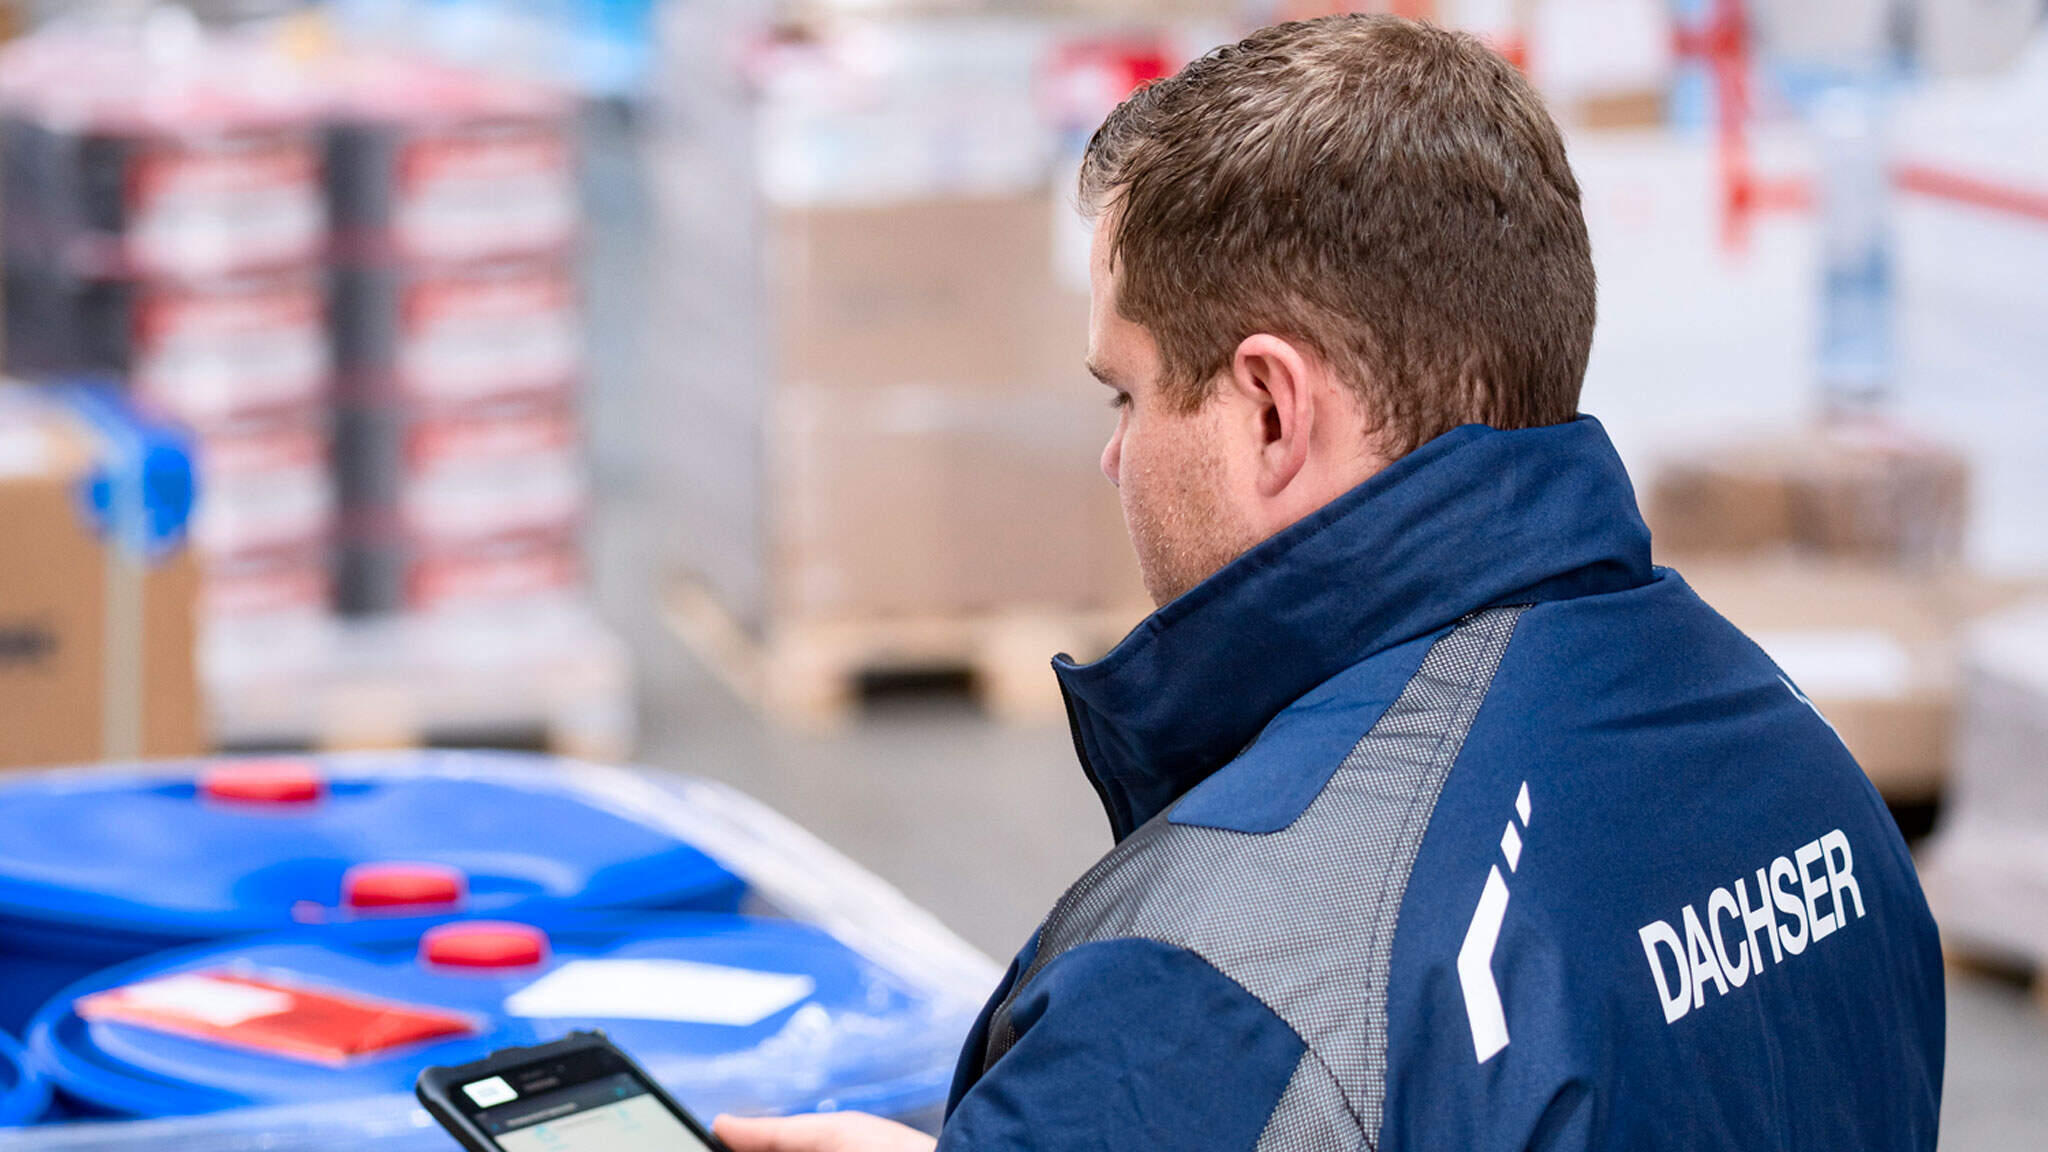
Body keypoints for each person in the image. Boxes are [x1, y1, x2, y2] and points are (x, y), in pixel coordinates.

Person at [716, 14, 1945, 1152]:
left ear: (1267, 411)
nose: (1113, 453)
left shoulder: (1203, 988)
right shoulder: (1811, 784)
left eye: (1126, 393)